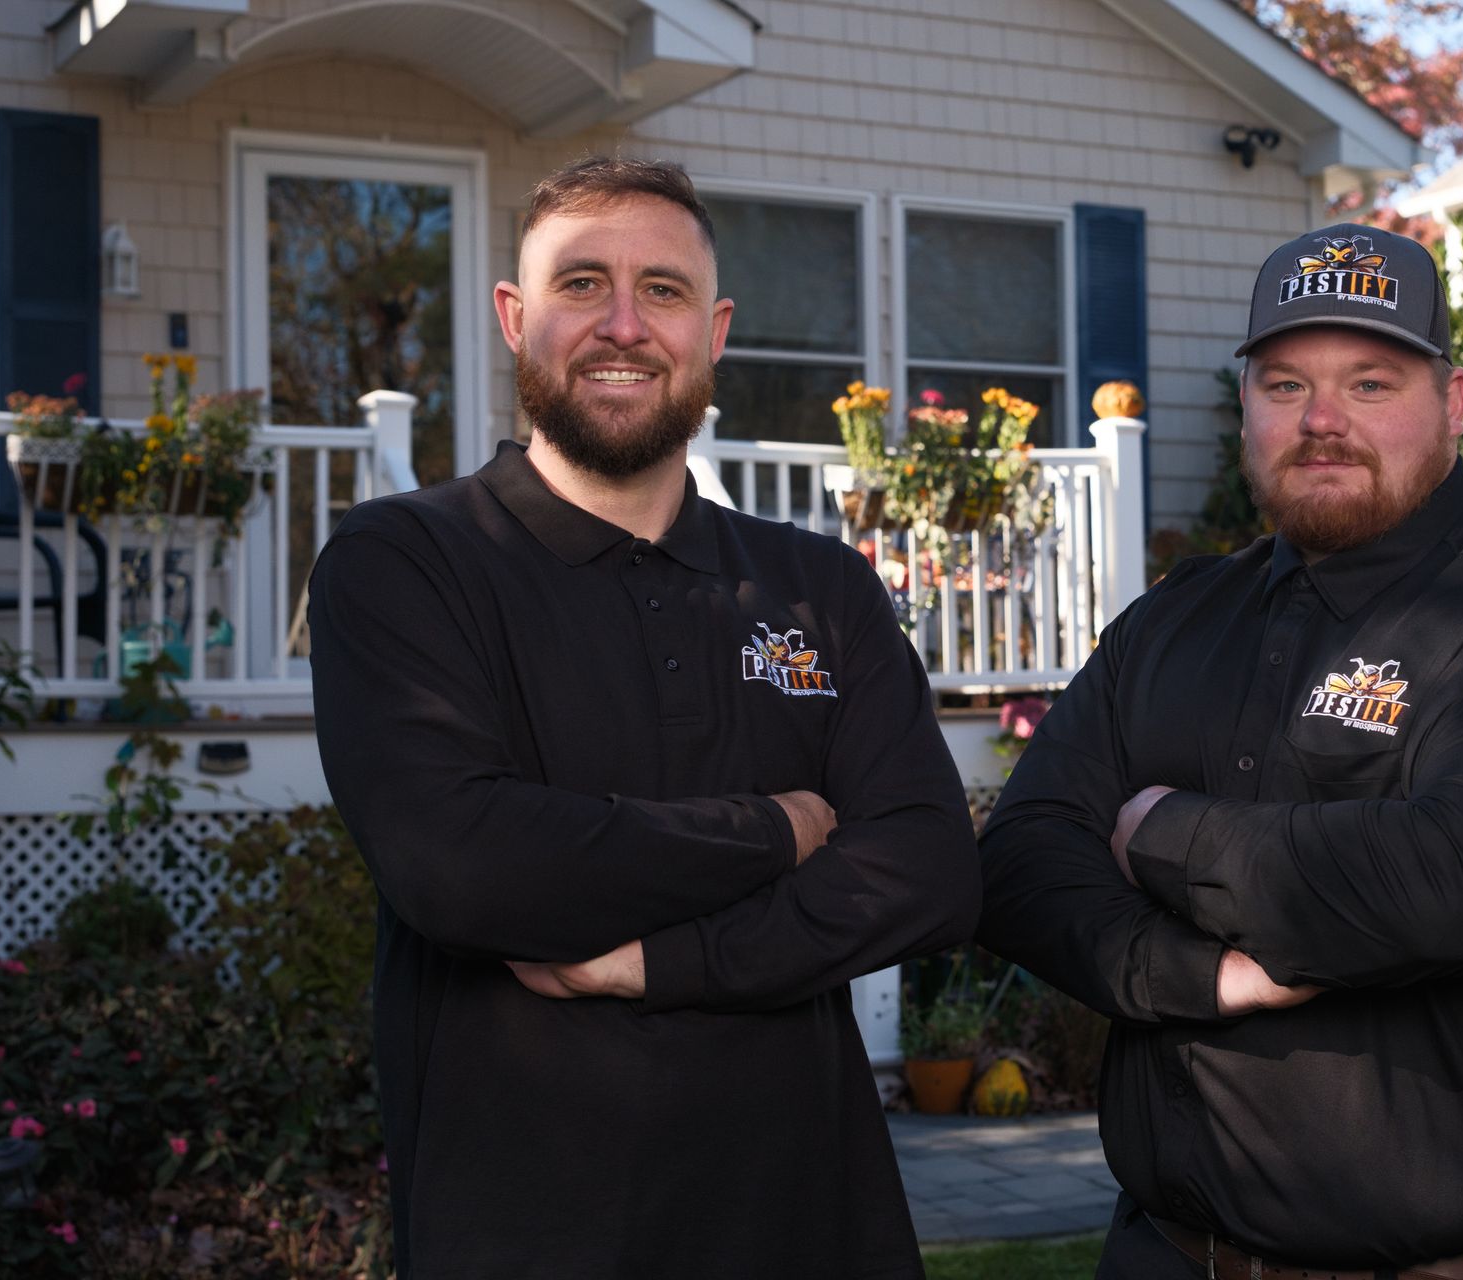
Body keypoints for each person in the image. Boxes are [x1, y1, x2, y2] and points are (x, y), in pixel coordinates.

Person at [310, 156, 979, 1279]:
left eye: (662, 291)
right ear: (517, 319)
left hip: (814, 1229)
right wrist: (775, 829)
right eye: (582, 284)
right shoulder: (406, 563)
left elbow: (929, 868)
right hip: (525, 1234)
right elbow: (464, 865)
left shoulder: (819, 586)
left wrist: (645, 962)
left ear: (713, 331)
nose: (624, 324)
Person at [977, 222, 1463, 1280]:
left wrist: (1159, 828)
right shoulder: (1175, 622)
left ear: (1455, 402)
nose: (1324, 421)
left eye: (1371, 383)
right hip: (1168, 1255)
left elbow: (1443, 879)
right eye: (1286, 384)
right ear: (1245, 404)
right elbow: (1021, 863)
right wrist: (1205, 975)